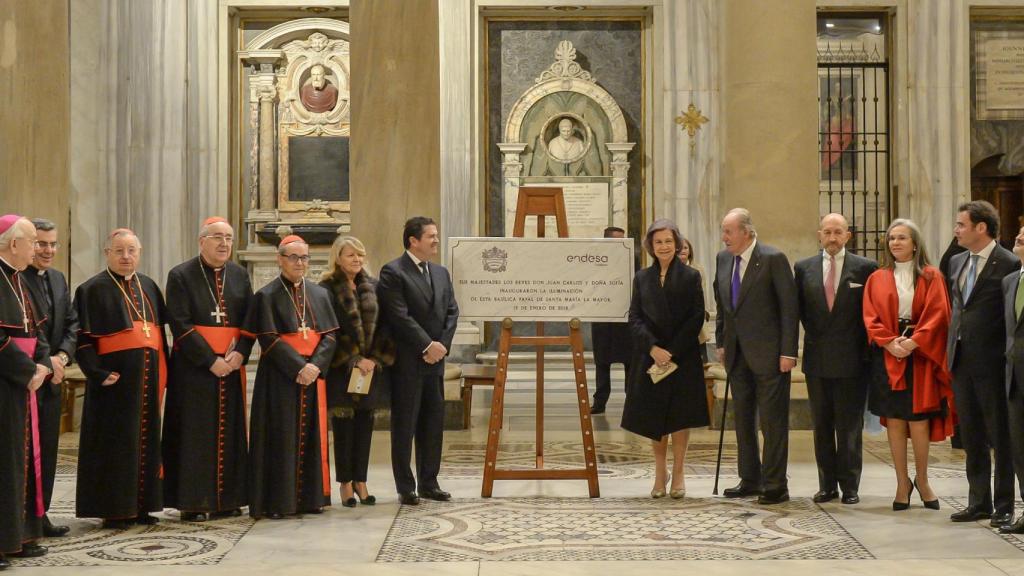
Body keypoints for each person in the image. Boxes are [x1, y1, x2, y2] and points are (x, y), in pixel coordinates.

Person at [162, 217, 255, 522]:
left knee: (230, 433)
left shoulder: (240, 276)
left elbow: (249, 322)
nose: (224, 243)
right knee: (194, 434)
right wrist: (210, 361)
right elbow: (180, 324)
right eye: (217, 237)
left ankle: (229, 499)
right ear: (201, 241)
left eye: (228, 238)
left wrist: (240, 354)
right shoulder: (180, 275)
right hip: (194, 368)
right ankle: (193, 501)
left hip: (231, 367)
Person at [74, 228, 169, 528]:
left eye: (132, 251)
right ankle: (114, 510)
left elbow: (157, 336)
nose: (126, 257)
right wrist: (97, 373)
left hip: (147, 382)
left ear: (139, 254)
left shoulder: (150, 286)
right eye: (119, 251)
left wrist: (166, 372)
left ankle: (143, 506)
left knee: (145, 441)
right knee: (115, 444)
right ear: (107, 254)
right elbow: (82, 340)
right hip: (113, 384)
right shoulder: (91, 289)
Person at [246, 234, 339, 519]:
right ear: (280, 260)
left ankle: (311, 499)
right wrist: (299, 367)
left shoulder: (320, 294)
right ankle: (279, 501)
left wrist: (315, 366)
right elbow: (268, 338)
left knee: (311, 435)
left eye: (305, 258)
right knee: (280, 436)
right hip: (280, 376)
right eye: (294, 257)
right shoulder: (266, 295)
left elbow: (330, 336)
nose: (300, 263)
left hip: (312, 376)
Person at [863, 218, 953, 511]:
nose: (895, 243)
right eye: (891, 238)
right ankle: (902, 482)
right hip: (888, 354)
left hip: (921, 355)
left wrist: (913, 343)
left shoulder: (931, 276)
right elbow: (870, 317)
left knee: (919, 420)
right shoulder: (877, 277)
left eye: (902, 238)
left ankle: (923, 480)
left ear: (915, 243)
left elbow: (938, 313)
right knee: (895, 420)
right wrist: (890, 343)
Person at [713, 208, 799, 505]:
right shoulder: (723, 259)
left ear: (746, 232)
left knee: (772, 424)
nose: (724, 237)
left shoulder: (773, 259)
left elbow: (789, 309)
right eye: (723, 231)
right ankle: (750, 478)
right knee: (743, 421)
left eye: (728, 231)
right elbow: (724, 306)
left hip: (771, 356)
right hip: (737, 356)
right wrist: (721, 341)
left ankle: (775, 484)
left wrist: (789, 352)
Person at [621, 219, 709, 499]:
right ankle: (661, 472)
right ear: (651, 245)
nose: (664, 246)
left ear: (678, 243)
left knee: (679, 416)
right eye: (658, 242)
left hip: (681, 357)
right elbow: (634, 317)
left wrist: (671, 351)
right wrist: (653, 349)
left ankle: (680, 471)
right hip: (651, 357)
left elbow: (696, 317)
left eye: (668, 241)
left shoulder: (691, 276)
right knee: (654, 416)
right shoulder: (642, 277)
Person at [794, 213, 877, 505]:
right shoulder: (803, 268)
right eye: (827, 232)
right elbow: (800, 311)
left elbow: (872, 313)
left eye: (838, 232)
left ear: (848, 235)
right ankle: (827, 484)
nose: (832, 237)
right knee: (822, 425)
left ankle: (850, 486)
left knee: (849, 426)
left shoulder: (866, 268)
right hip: (818, 359)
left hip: (853, 361)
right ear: (819, 234)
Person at [378, 216, 459, 506]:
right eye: (431, 236)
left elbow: (452, 311)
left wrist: (442, 347)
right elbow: (398, 316)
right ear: (413, 240)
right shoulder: (393, 271)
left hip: (435, 361)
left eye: (436, 236)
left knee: (432, 424)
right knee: (405, 425)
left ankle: (429, 482)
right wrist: (426, 344)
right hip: (408, 361)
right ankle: (406, 486)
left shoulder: (440, 272)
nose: (436, 241)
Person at [946, 201, 1017, 526]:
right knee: (971, 434)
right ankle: (979, 501)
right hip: (961, 361)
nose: (956, 230)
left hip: (993, 363)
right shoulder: (957, 261)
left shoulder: (1008, 262)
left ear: (981, 228)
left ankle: (1003, 504)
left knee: (1000, 436)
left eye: (961, 225)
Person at [320, 235, 395, 507]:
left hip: (370, 370)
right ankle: (345, 484)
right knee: (344, 428)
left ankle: (362, 481)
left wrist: (374, 359)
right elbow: (328, 329)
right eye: (351, 255)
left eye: (360, 255)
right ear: (338, 258)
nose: (357, 260)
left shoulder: (373, 287)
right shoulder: (325, 289)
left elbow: (386, 326)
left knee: (365, 426)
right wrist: (353, 358)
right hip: (342, 369)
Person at [0, 215, 50, 568]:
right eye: (32, 241)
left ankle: (19, 535)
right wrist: (27, 370)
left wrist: (43, 364)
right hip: (5, 383)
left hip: (24, 382)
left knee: (24, 458)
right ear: (13, 244)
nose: (36, 247)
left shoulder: (20, 279)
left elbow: (37, 330)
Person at [22, 218, 78, 536]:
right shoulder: (16, 279)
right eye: (41, 243)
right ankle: (24, 519)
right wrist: (48, 361)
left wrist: (63, 357)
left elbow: (71, 323)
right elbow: (31, 329)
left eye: (52, 244)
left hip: (53, 377)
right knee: (27, 452)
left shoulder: (58, 278)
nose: (48, 250)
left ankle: (41, 515)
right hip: (29, 377)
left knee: (48, 450)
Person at [590, 226, 633, 415]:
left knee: (630, 362)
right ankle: (600, 402)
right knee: (602, 362)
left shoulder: (631, 260)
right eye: (617, 240)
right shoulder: (594, 263)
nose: (622, 244)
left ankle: (632, 401)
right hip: (602, 319)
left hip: (626, 320)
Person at [999, 225, 1024, 534]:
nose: (1020, 237)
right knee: (1020, 448)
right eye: (1019, 234)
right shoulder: (1009, 282)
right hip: (1015, 377)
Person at [679, 236, 710, 362]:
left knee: (701, 360)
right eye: (680, 248)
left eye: (686, 248)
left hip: (695, 317)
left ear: (690, 251)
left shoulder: (697, 269)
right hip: (678, 320)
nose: (683, 250)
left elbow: (703, 293)